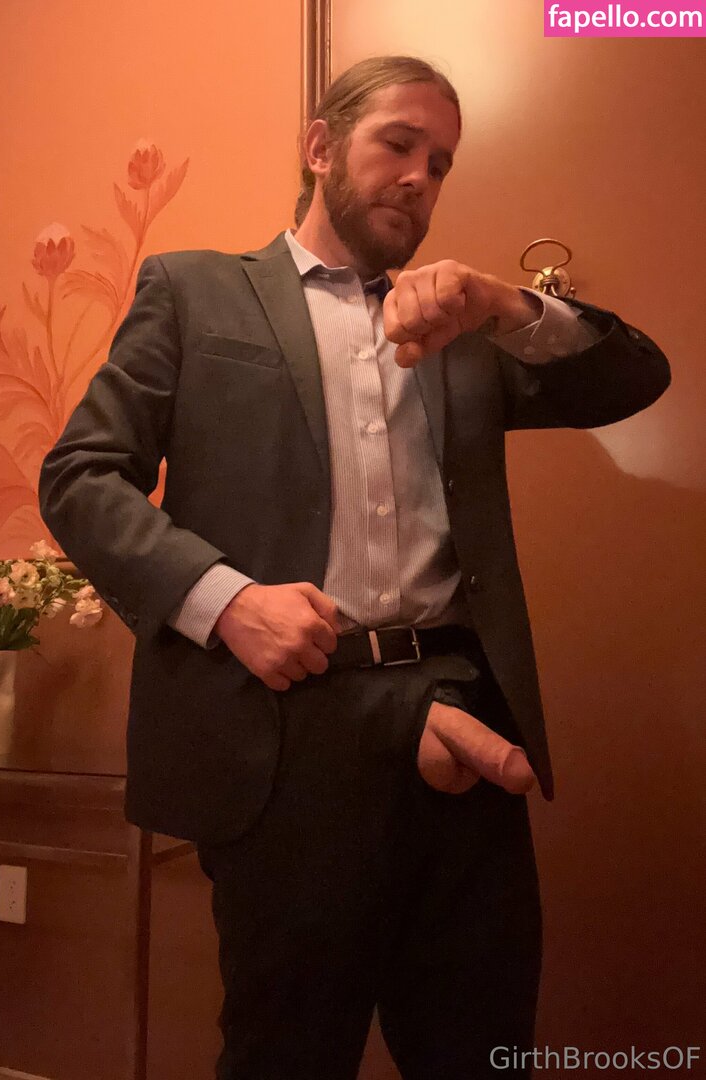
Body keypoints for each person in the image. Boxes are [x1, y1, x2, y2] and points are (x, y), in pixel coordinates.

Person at [38, 55, 671, 1080]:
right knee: (288, 1056)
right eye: (398, 144)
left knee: (485, 1053)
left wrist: (503, 302)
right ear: (321, 147)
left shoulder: (461, 328)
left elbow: (634, 380)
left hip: (460, 723)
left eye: (442, 162)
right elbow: (80, 476)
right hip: (282, 735)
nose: (421, 176)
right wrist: (225, 602)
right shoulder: (195, 292)